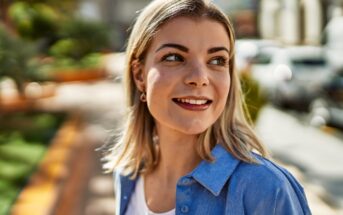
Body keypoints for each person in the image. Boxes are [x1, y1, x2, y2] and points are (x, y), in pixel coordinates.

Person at [103, 0, 312, 214]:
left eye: (217, 60)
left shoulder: (267, 189)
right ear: (139, 75)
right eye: (174, 57)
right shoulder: (128, 174)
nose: (200, 78)